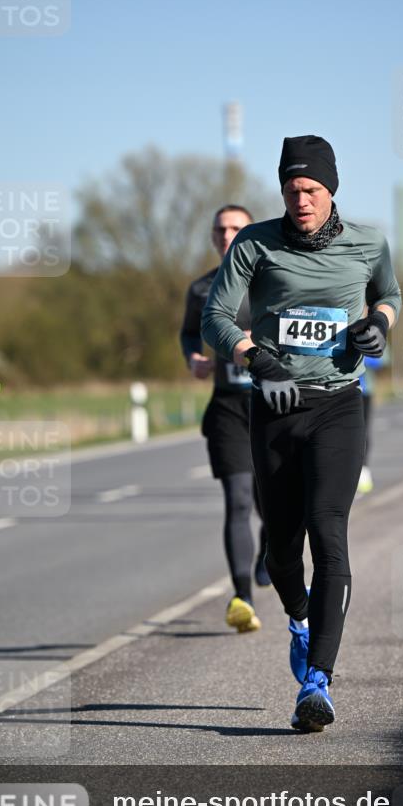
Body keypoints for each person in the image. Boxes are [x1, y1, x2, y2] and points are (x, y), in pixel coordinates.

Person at [202, 135, 401, 732]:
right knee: (283, 547)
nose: (301, 200)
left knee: (327, 531)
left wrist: (379, 327)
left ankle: (317, 684)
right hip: (274, 407)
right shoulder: (254, 244)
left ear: (331, 189)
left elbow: (387, 294)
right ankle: (296, 617)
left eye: (311, 189)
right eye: (291, 190)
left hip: (338, 405)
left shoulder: (368, 243)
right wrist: (252, 355)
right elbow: (216, 314)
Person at [180, 205, 269, 635]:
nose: (226, 234)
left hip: (274, 403)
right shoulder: (201, 288)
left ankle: (269, 546)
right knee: (237, 500)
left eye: (236, 227)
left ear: (250, 232)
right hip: (229, 409)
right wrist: (193, 358)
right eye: (220, 228)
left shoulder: (274, 277)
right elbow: (187, 333)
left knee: (271, 504)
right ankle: (243, 601)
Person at [357, 354, 383, 494]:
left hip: (363, 390)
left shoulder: (367, 330)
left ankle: (363, 469)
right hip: (336, 390)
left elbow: (379, 360)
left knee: (363, 430)